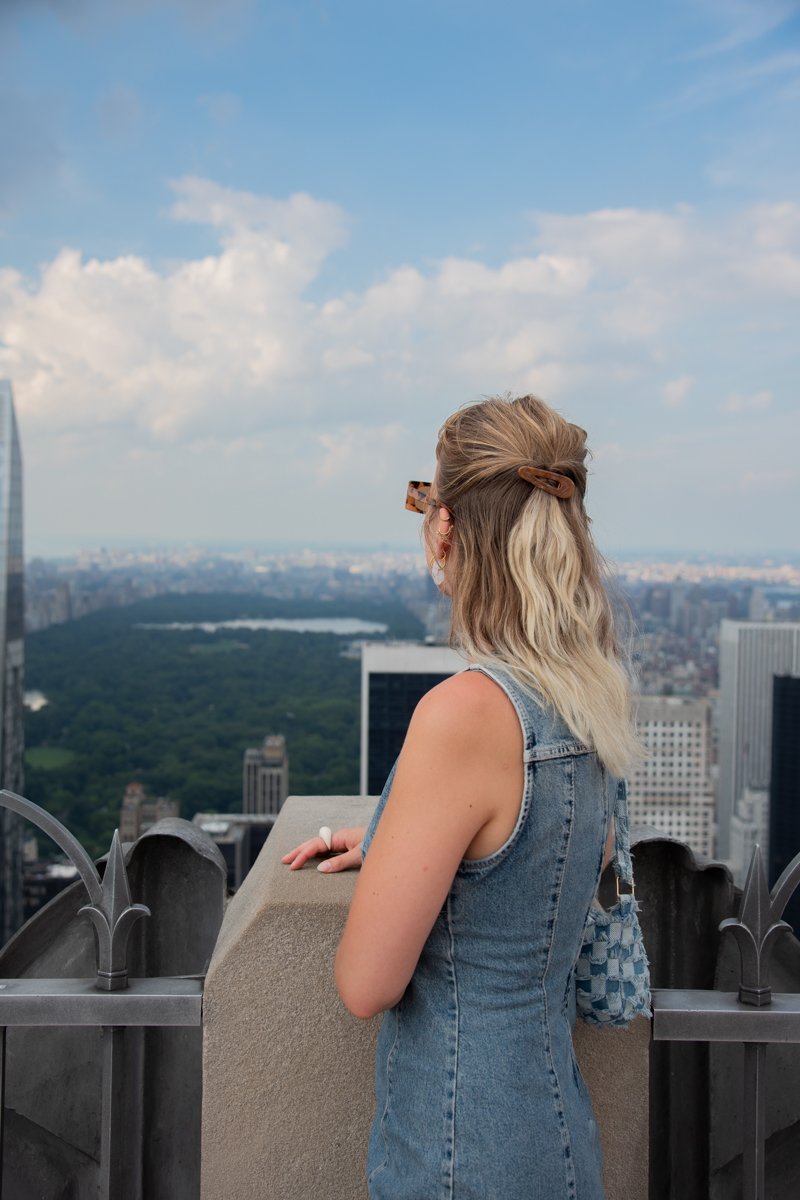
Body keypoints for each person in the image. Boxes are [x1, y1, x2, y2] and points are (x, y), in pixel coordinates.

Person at [282, 394, 640, 1199]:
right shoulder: (592, 696)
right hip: (557, 1140)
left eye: (424, 502)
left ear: (445, 528)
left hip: (459, 1150)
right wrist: (398, 842)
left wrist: (389, 870)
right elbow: (541, 856)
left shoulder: (464, 715)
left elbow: (365, 983)